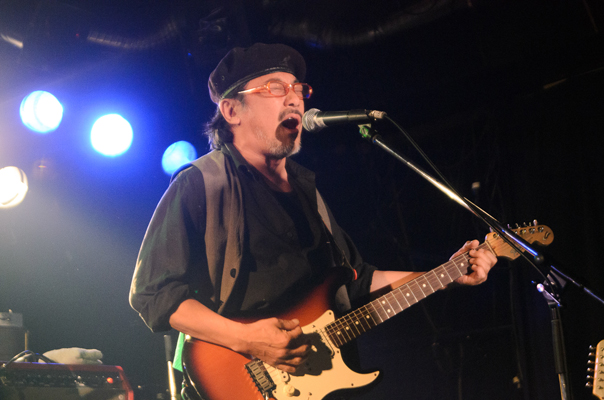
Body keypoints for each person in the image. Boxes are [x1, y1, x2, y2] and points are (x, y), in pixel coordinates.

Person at [129, 43, 498, 399]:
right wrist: (247, 339)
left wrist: (446, 275)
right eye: (275, 88)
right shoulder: (201, 183)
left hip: (317, 384)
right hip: (240, 380)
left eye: (298, 89)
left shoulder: (308, 192)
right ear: (231, 110)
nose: (294, 99)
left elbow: (357, 281)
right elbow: (152, 294)